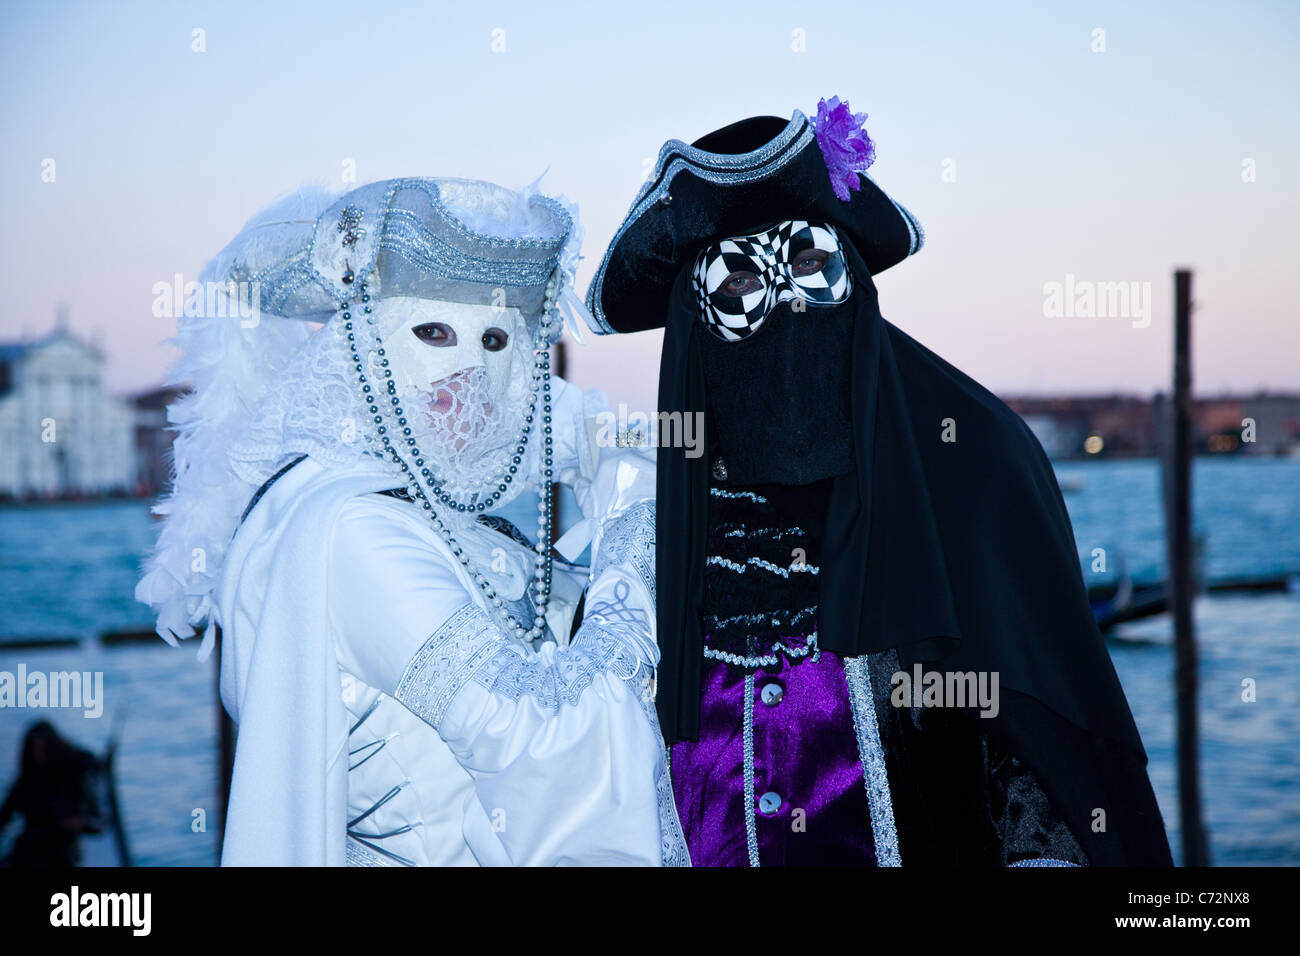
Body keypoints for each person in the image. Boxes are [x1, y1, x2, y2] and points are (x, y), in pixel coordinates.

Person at [584, 98, 1172, 866]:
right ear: (696, 329)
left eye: (806, 266)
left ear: (852, 279)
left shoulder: (971, 468)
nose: (784, 310)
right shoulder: (657, 533)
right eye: (736, 289)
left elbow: (1050, 767)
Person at [137, 177, 686, 866]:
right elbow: (550, 734)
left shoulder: (415, 503)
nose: (469, 374)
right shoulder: (350, 533)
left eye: (494, 340)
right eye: (432, 332)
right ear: (367, 348)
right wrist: (637, 513)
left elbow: (571, 433)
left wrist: (594, 438)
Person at [0, 721, 103, 867]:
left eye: (42, 747)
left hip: (60, 848)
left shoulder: (71, 772)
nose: (38, 753)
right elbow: (5, 814)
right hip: (31, 846)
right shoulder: (27, 779)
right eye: (34, 748)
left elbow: (94, 821)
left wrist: (79, 822)